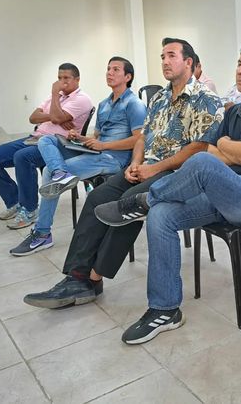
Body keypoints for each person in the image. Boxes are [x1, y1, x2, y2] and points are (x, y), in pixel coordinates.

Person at [94, 40, 241, 345]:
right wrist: (239, 153)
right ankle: (165, 309)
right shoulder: (235, 111)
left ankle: (143, 200)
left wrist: (233, 150)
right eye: (239, 63)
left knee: (201, 163)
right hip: (222, 193)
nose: (240, 71)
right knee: (161, 215)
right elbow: (214, 149)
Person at [21, 37, 222, 307]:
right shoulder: (160, 98)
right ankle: (76, 276)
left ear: (188, 62)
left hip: (179, 173)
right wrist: (135, 164)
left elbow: (199, 148)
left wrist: (153, 168)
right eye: (162, 56)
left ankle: (93, 278)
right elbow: (143, 138)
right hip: (146, 167)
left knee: (126, 204)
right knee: (96, 198)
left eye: (171, 56)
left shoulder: (206, 98)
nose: (164, 61)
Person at [9, 57, 146, 255]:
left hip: (114, 159)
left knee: (47, 172)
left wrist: (103, 145)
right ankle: (61, 173)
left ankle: (42, 233)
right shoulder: (104, 104)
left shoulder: (134, 104)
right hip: (98, 151)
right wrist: (81, 138)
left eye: (116, 69)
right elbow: (97, 137)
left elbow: (139, 139)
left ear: (128, 77)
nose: (109, 72)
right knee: (47, 140)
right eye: (108, 68)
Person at [0, 63, 92, 229]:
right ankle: (15, 201)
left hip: (57, 145)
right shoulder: (57, 96)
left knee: (22, 157)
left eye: (66, 78)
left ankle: (30, 209)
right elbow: (33, 118)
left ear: (77, 79)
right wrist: (55, 116)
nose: (62, 82)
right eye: (59, 78)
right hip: (35, 138)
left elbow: (56, 118)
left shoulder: (81, 99)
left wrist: (55, 99)